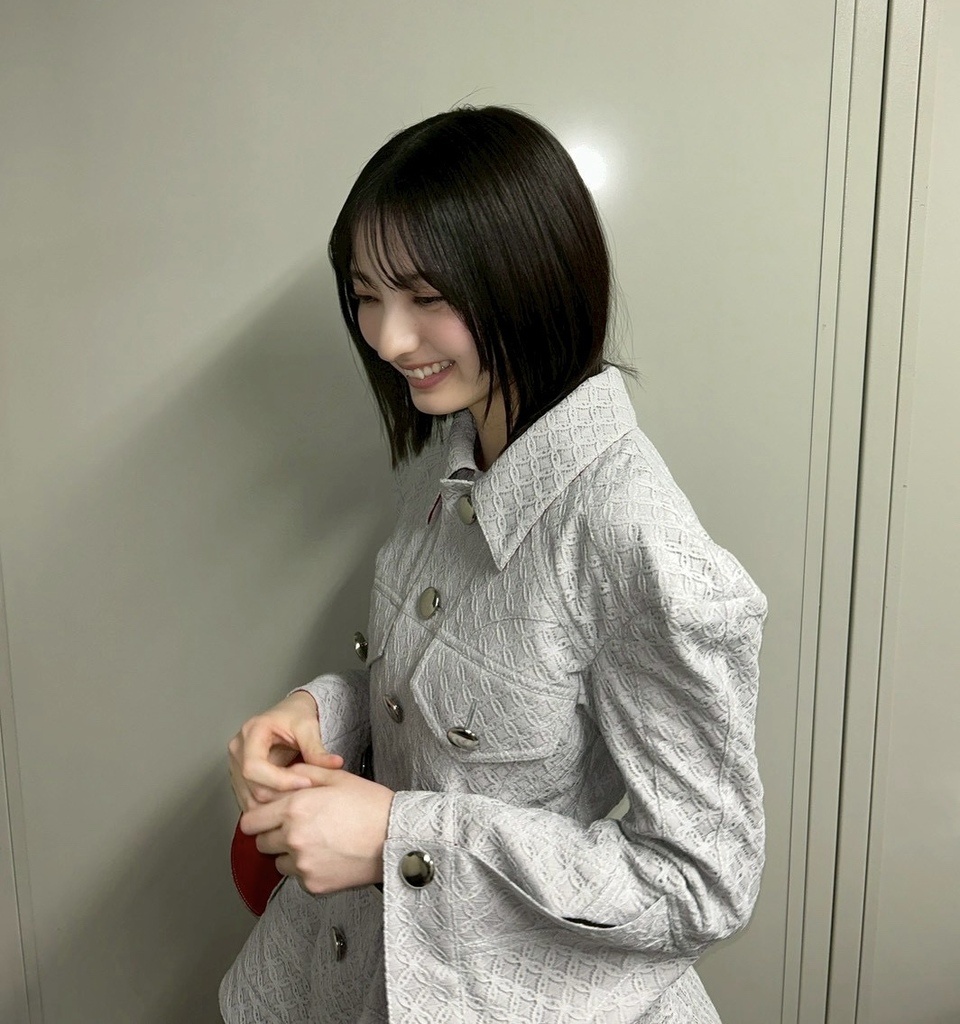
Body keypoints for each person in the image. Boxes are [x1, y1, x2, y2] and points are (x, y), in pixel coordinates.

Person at [220, 106, 766, 1024]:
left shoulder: (629, 536)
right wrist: (322, 713)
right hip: (352, 970)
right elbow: (447, 698)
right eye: (366, 295)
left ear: (529, 280)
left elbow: (701, 883)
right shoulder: (455, 451)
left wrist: (398, 840)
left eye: (426, 297)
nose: (389, 339)